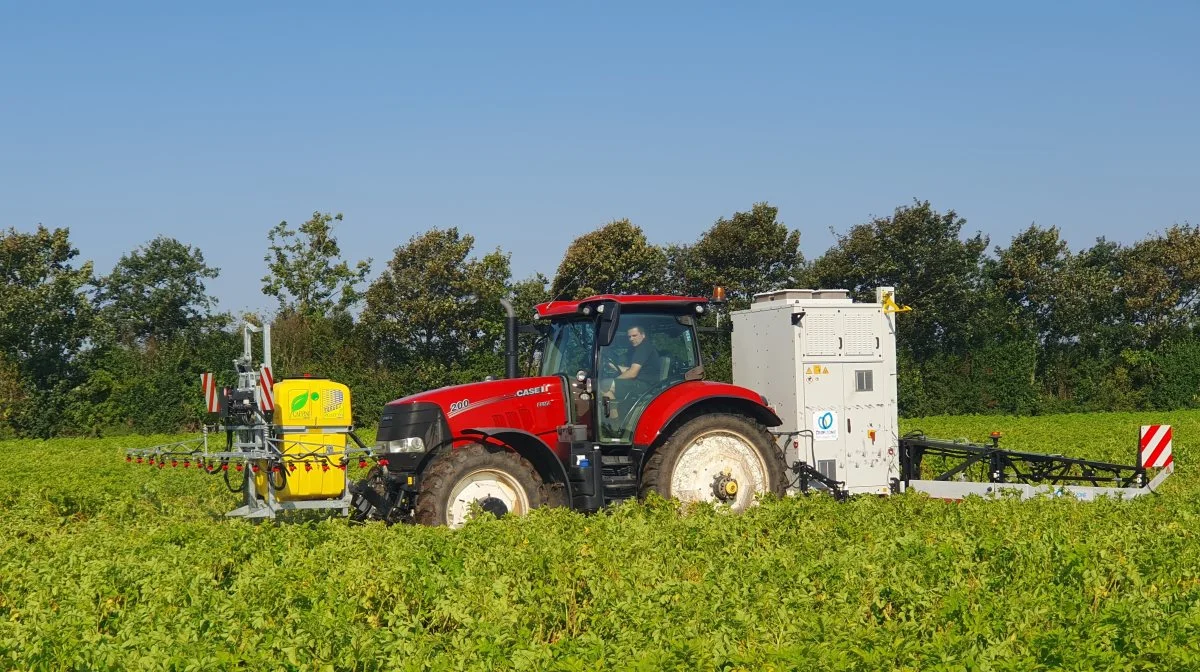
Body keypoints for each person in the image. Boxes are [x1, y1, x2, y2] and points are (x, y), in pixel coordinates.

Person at [601, 325, 661, 417]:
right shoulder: (640, 349)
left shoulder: (644, 348)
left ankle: (614, 419)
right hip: (642, 382)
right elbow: (630, 369)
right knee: (608, 386)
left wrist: (615, 380)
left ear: (643, 335)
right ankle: (615, 416)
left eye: (634, 335)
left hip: (646, 385)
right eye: (629, 336)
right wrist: (612, 365)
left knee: (605, 384)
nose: (631, 339)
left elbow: (632, 373)